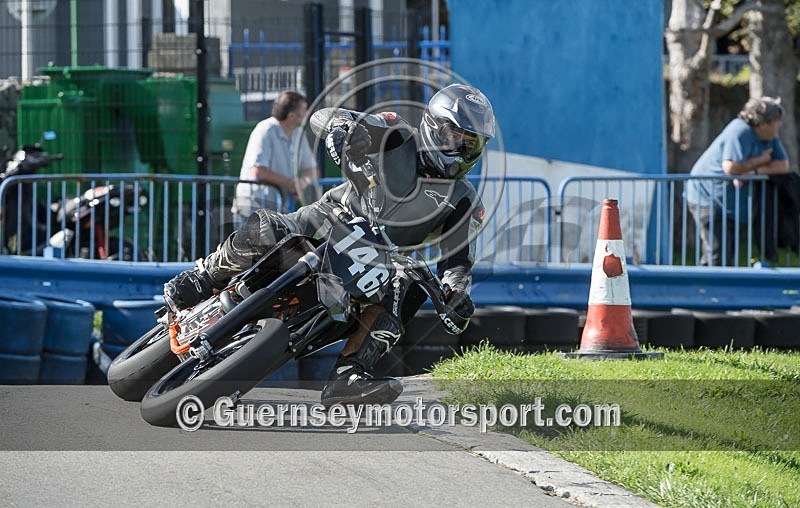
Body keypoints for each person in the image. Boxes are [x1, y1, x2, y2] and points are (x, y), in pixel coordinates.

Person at [163, 83, 495, 407]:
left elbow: (458, 260)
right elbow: (327, 116)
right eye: (456, 137)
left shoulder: (466, 201)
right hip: (329, 218)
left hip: (380, 262)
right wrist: (342, 129)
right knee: (269, 227)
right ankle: (202, 276)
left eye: (472, 143)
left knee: (408, 292)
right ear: (434, 126)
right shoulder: (396, 132)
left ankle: (349, 375)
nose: (463, 150)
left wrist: (455, 293)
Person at [686, 96, 789, 266]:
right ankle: (707, 284)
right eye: (777, 121)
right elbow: (730, 167)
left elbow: (783, 166)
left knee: (728, 255)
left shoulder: (771, 136)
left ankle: (715, 282)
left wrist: (753, 171)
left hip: (730, 202)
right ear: (762, 124)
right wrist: (760, 160)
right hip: (706, 196)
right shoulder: (740, 131)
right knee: (717, 253)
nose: (780, 125)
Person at [231, 91, 318, 228]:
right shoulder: (265, 130)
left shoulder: (298, 133)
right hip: (253, 206)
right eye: (304, 110)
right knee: (250, 242)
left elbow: (312, 170)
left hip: (278, 209)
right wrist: (291, 184)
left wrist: (302, 182)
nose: (308, 113)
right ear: (291, 116)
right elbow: (258, 171)